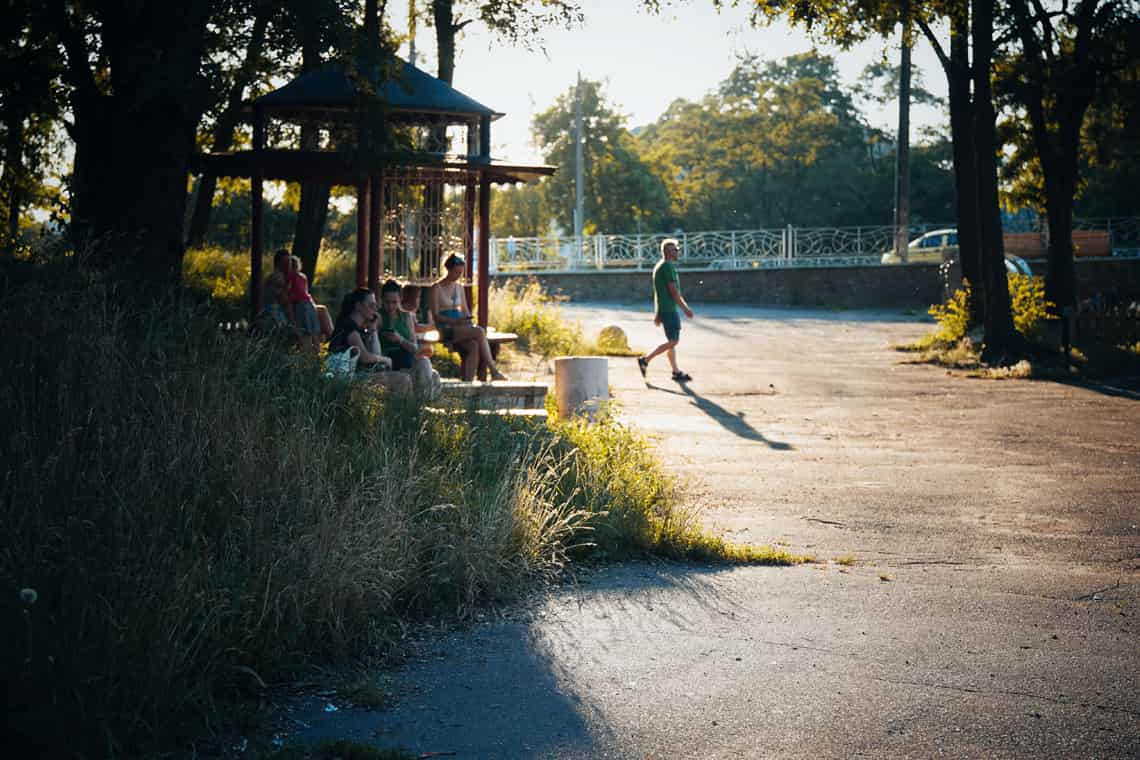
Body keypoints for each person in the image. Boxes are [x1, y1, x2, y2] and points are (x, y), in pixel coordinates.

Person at [430, 253, 509, 382]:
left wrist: (467, 321)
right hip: (445, 329)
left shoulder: (459, 288)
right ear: (448, 270)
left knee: (473, 346)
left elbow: (465, 311)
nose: (458, 276)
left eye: (461, 273)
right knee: (479, 331)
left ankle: (468, 383)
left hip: (460, 326)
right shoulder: (436, 288)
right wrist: (455, 321)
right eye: (456, 272)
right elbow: (436, 316)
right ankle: (493, 370)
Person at [328, 288, 413, 394]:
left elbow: (374, 354)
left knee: (396, 376)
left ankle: (404, 409)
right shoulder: (349, 328)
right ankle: (404, 410)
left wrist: (373, 328)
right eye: (371, 305)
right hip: (343, 381)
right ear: (358, 306)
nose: (375, 309)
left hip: (351, 376)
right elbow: (365, 357)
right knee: (403, 379)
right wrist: (386, 359)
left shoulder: (357, 327)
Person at [638, 238, 694, 382]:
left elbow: (658, 292)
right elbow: (673, 292)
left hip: (665, 309)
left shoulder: (659, 266)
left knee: (671, 341)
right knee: (673, 341)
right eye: (676, 249)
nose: (678, 252)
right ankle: (645, 360)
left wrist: (658, 312)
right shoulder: (667, 267)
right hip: (669, 309)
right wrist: (685, 308)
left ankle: (676, 372)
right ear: (669, 252)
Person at [378, 279, 440, 399]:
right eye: (387, 302)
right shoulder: (379, 317)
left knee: (425, 362)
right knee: (426, 369)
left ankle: (423, 405)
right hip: (390, 360)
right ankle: (421, 405)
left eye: (394, 302)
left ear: (400, 299)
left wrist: (399, 340)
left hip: (407, 358)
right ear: (382, 300)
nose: (390, 306)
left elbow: (414, 348)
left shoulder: (407, 317)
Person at [287, 255, 321, 354]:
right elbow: (305, 292)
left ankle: (308, 355)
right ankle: (317, 354)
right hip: (309, 303)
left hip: (300, 305)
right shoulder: (303, 276)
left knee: (305, 331)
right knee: (313, 330)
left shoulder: (290, 276)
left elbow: (290, 292)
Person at [257, 249, 292, 333]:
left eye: (289, 262)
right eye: (286, 262)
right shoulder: (278, 277)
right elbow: (285, 301)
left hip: (277, 313)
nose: (289, 265)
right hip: (274, 316)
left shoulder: (279, 277)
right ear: (279, 264)